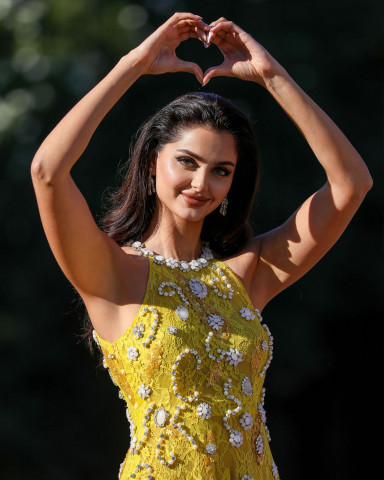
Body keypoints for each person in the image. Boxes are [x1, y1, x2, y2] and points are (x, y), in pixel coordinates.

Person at [30, 12, 372, 480]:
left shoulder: (248, 272)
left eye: (221, 171)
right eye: (186, 162)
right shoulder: (112, 273)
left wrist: (274, 76)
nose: (200, 183)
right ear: (152, 164)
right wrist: (135, 62)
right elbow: (48, 171)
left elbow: (351, 184)